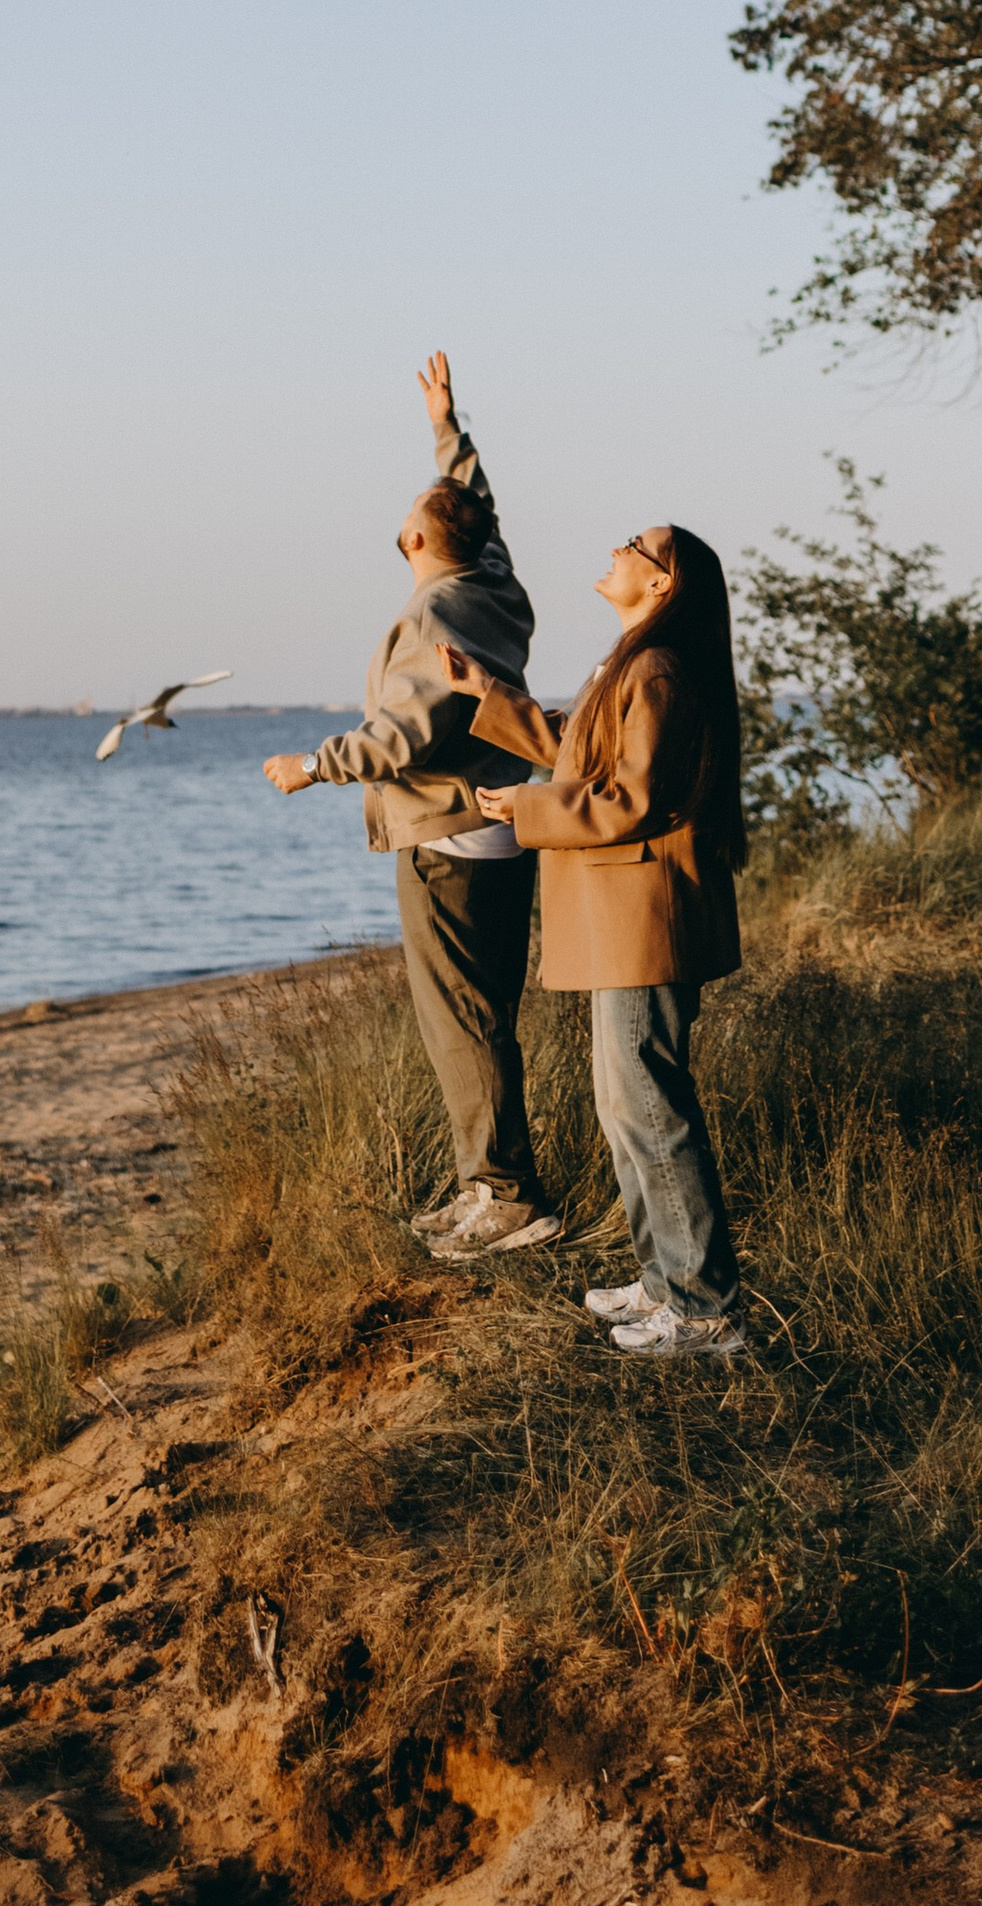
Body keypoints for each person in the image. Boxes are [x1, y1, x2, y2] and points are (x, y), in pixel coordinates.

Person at [262, 349, 561, 1259]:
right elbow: (479, 506)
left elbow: (408, 736)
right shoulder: (492, 580)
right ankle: (486, 1185)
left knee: (461, 1022)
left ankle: (508, 1198)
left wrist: (312, 765)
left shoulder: (436, 616)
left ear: (422, 544)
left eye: (410, 518)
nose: (403, 523)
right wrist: (447, 426)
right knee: (482, 1016)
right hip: (500, 827)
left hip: (449, 837)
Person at [446, 522, 749, 1357]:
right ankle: (664, 1283)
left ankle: (703, 1311)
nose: (617, 548)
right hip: (624, 917)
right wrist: (487, 696)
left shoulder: (655, 667)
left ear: (662, 585)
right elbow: (586, 756)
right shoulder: (635, 661)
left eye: (636, 545)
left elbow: (633, 801)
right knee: (626, 1109)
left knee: (650, 1109)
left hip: (642, 918)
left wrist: (528, 810)